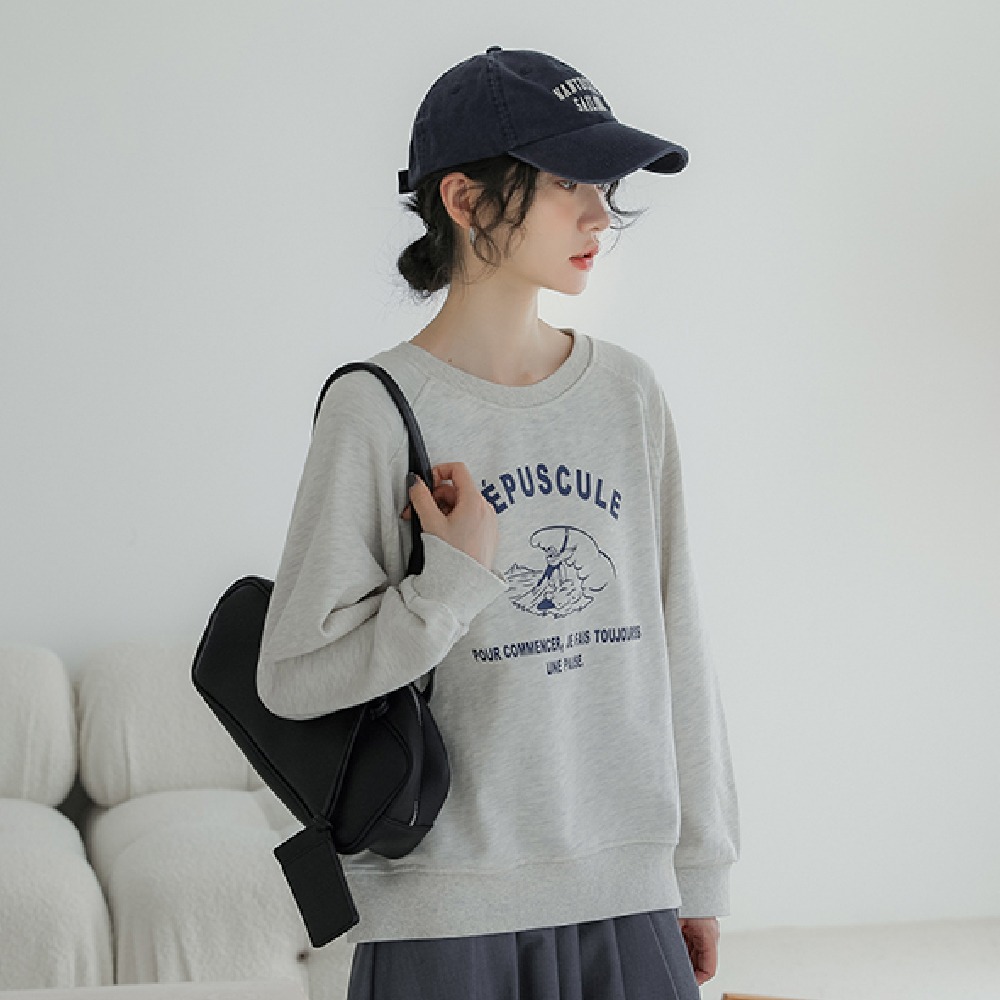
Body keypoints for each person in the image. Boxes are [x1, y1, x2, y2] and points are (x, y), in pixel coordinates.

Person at [257, 45, 739, 1000]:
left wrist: (700, 868)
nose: (600, 213)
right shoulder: (377, 408)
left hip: (624, 889)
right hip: (446, 909)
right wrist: (446, 587)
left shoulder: (627, 395)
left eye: (603, 185)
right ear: (466, 200)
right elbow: (293, 678)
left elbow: (676, 636)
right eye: (567, 181)